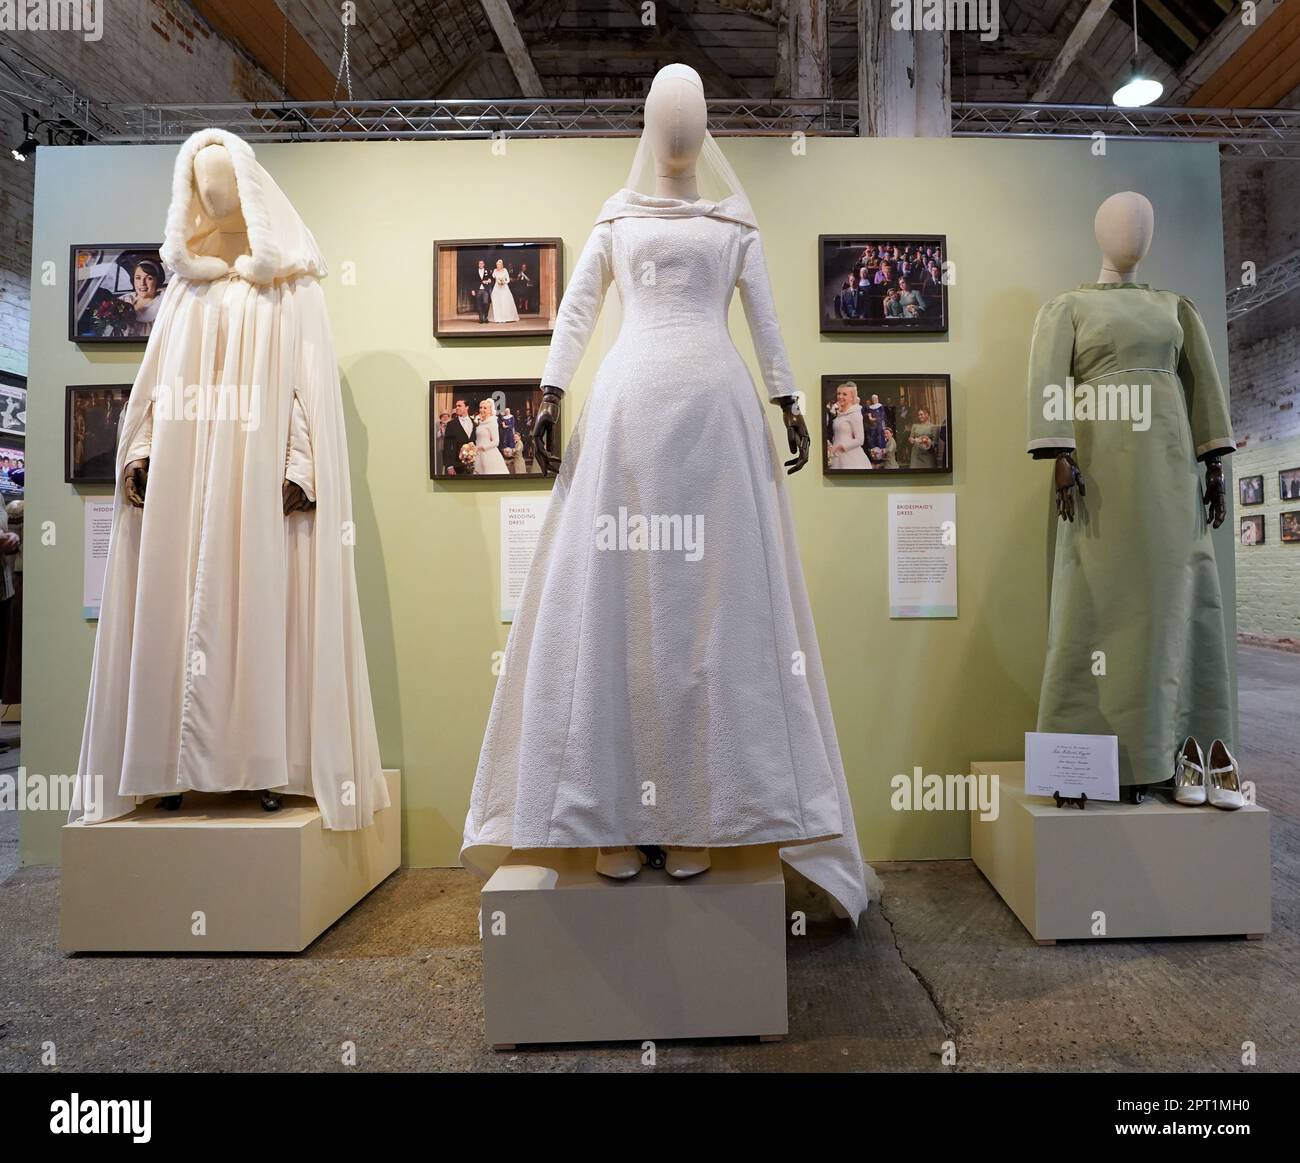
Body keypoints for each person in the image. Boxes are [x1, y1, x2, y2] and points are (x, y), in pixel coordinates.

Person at [827, 381, 872, 470]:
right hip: (837, 456)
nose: (840, 397)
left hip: (851, 458)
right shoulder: (840, 414)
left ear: (852, 397)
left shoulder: (855, 414)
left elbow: (860, 440)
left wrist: (840, 447)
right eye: (839, 394)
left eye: (844, 394)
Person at [127, 259, 165, 335]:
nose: (142, 283)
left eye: (149, 278)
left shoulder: (164, 304)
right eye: (138, 278)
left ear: (157, 280)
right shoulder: (125, 300)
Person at [474, 398, 509, 473]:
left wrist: (482, 447)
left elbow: (496, 442)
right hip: (478, 454)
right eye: (480, 407)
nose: (482, 410)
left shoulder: (492, 422)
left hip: (489, 455)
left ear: (490, 410)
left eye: (485, 408)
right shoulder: (481, 422)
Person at [442, 397, 476, 475]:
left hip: (472, 464)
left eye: (459, 406)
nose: (456, 408)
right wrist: (449, 466)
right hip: (456, 465)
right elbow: (447, 446)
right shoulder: (451, 424)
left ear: (467, 407)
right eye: (456, 406)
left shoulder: (474, 423)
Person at [499, 406, 519, 473]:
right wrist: (504, 426)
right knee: (505, 441)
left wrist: (507, 426)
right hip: (505, 432)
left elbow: (512, 424)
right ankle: (506, 457)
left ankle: (511, 457)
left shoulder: (512, 417)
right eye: (506, 411)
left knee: (511, 442)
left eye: (508, 411)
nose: (507, 412)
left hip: (510, 432)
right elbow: (503, 425)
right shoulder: (503, 418)